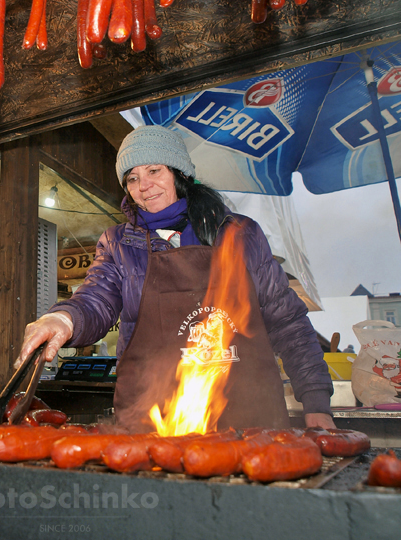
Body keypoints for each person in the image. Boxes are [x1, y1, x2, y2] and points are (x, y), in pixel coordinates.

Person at [18, 125, 335, 432]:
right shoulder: (118, 244)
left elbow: (286, 320)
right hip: (154, 417)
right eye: (133, 178)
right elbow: (94, 300)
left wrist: (316, 401)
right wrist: (63, 318)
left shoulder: (240, 233)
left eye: (154, 171)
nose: (143, 186)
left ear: (180, 173)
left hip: (246, 415)